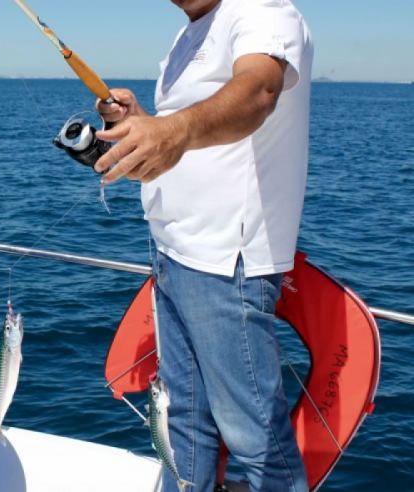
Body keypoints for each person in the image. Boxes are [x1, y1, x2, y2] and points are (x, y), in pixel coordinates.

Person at [94, 0, 313, 491]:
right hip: (173, 251)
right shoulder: (189, 34)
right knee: (185, 427)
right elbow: (185, 133)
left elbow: (257, 90)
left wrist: (171, 129)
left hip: (225, 261)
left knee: (256, 441)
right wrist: (144, 122)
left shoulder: (260, 9)